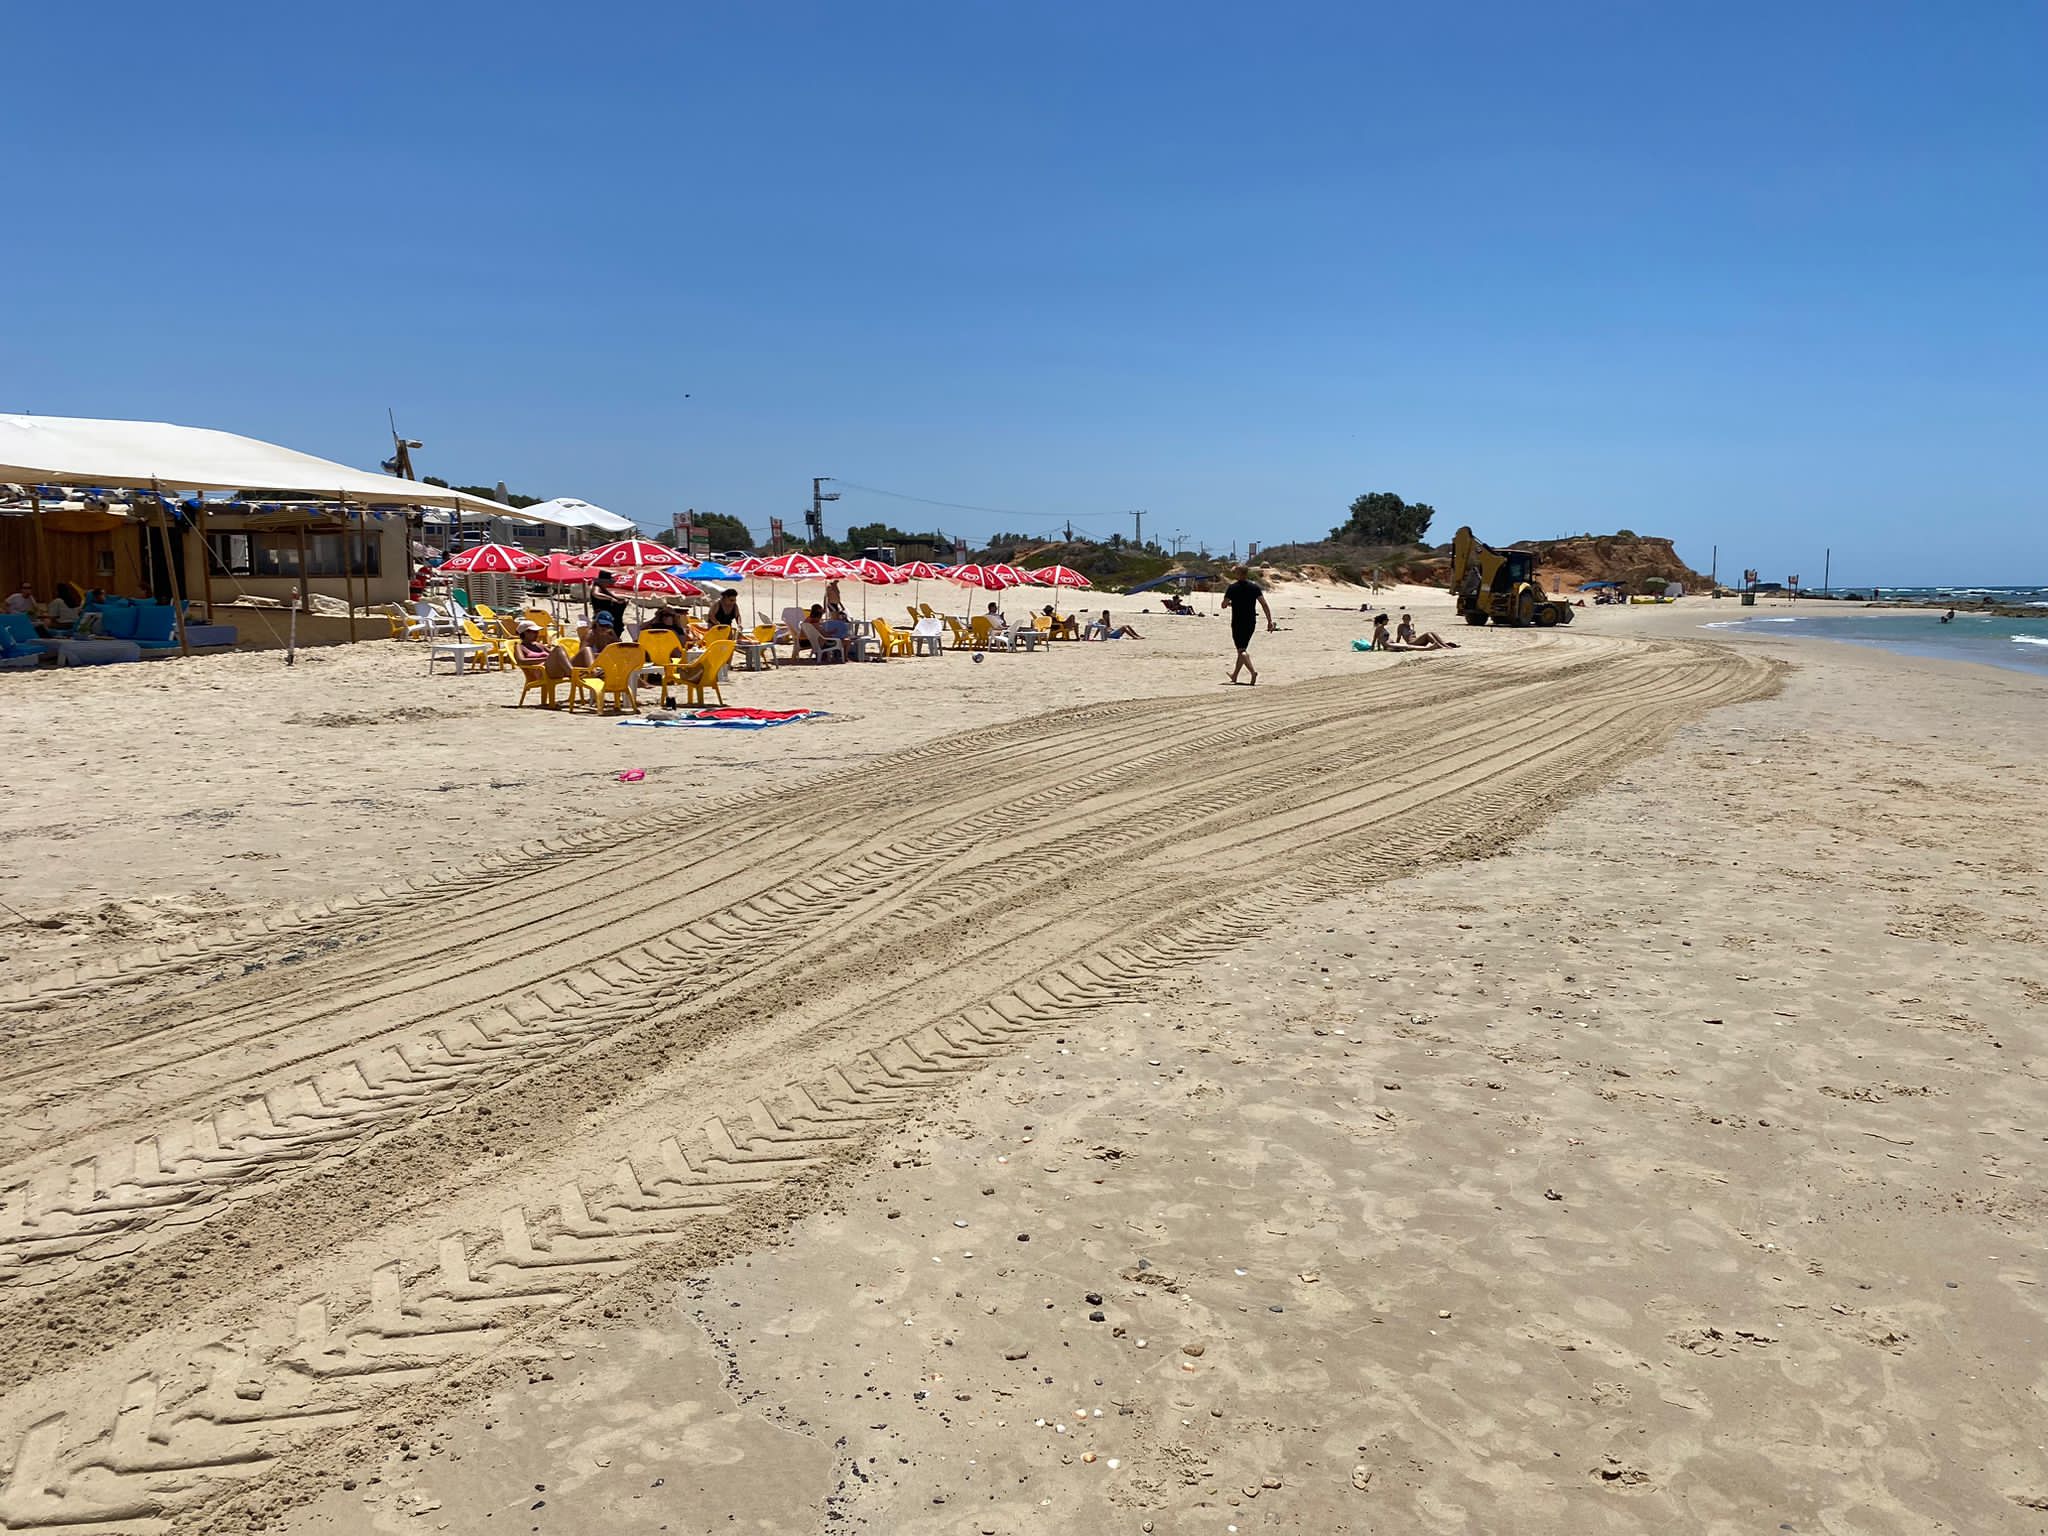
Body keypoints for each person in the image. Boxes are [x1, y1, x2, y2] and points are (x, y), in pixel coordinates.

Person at [1220, 565, 1275, 684]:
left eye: (1236, 572)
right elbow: (1264, 604)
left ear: (1239, 574)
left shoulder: (1232, 588)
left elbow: (1223, 605)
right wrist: (1269, 621)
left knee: (1241, 650)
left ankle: (1252, 672)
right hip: (1251, 621)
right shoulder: (1254, 587)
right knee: (1242, 648)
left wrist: (1230, 604)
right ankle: (1234, 675)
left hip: (1238, 622)